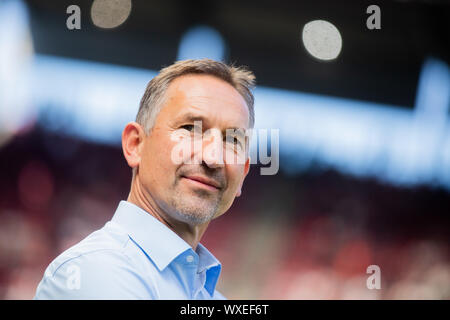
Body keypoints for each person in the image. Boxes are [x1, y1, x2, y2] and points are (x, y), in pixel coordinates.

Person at [34, 58, 256, 299]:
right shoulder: (94, 272)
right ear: (135, 144)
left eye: (233, 140)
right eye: (190, 129)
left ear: (243, 174)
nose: (213, 158)